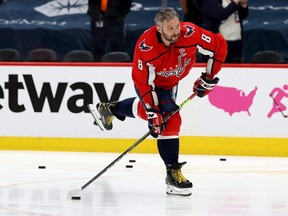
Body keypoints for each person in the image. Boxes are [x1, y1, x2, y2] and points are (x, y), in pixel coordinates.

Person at [88, 7, 227, 196]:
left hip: (172, 83)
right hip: (151, 86)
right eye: (170, 28)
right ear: (159, 29)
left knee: (163, 117)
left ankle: (111, 109)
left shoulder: (190, 33)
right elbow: (143, 83)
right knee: (170, 120)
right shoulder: (147, 47)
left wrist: (209, 78)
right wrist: (153, 110)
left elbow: (218, 46)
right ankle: (172, 174)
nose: (176, 31)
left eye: (177, 26)